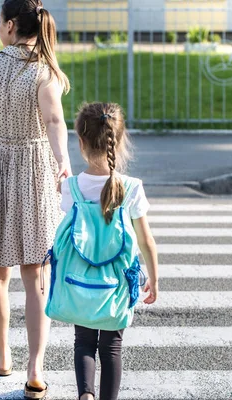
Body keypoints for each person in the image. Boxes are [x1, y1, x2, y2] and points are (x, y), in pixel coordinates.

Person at [0, 0, 71, 398]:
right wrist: (63, 162)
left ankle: (3, 356)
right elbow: (54, 121)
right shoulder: (44, 72)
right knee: (35, 278)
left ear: (10, 26)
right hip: (34, 173)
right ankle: (36, 368)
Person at [59, 102, 159, 400]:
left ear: (80, 142)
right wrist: (154, 278)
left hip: (80, 279)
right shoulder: (131, 187)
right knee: (112, 346)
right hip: (117, 282)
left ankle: (85, 394)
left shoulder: (71, 187)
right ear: (121, 139)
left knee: (84, 342)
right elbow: (146, 240)